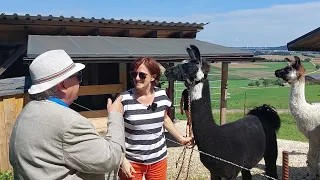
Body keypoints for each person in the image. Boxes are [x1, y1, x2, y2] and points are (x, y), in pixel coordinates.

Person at [9, 49, 125, 180]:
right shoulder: (70, 123)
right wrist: (115, 116)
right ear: (63, 85)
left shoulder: (26, 111)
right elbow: (110, 158)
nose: (80, 82)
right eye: (78, 76)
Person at [118, 57, 194, 180]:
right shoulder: (123, 99)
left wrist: (181, 139)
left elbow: (164, 118)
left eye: (142, 75)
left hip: (158, 160)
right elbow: (116, 131)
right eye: (134, 74)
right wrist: (122, 159)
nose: (137, 78)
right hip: (132, 161)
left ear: (153, 77)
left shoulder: (161, 95)